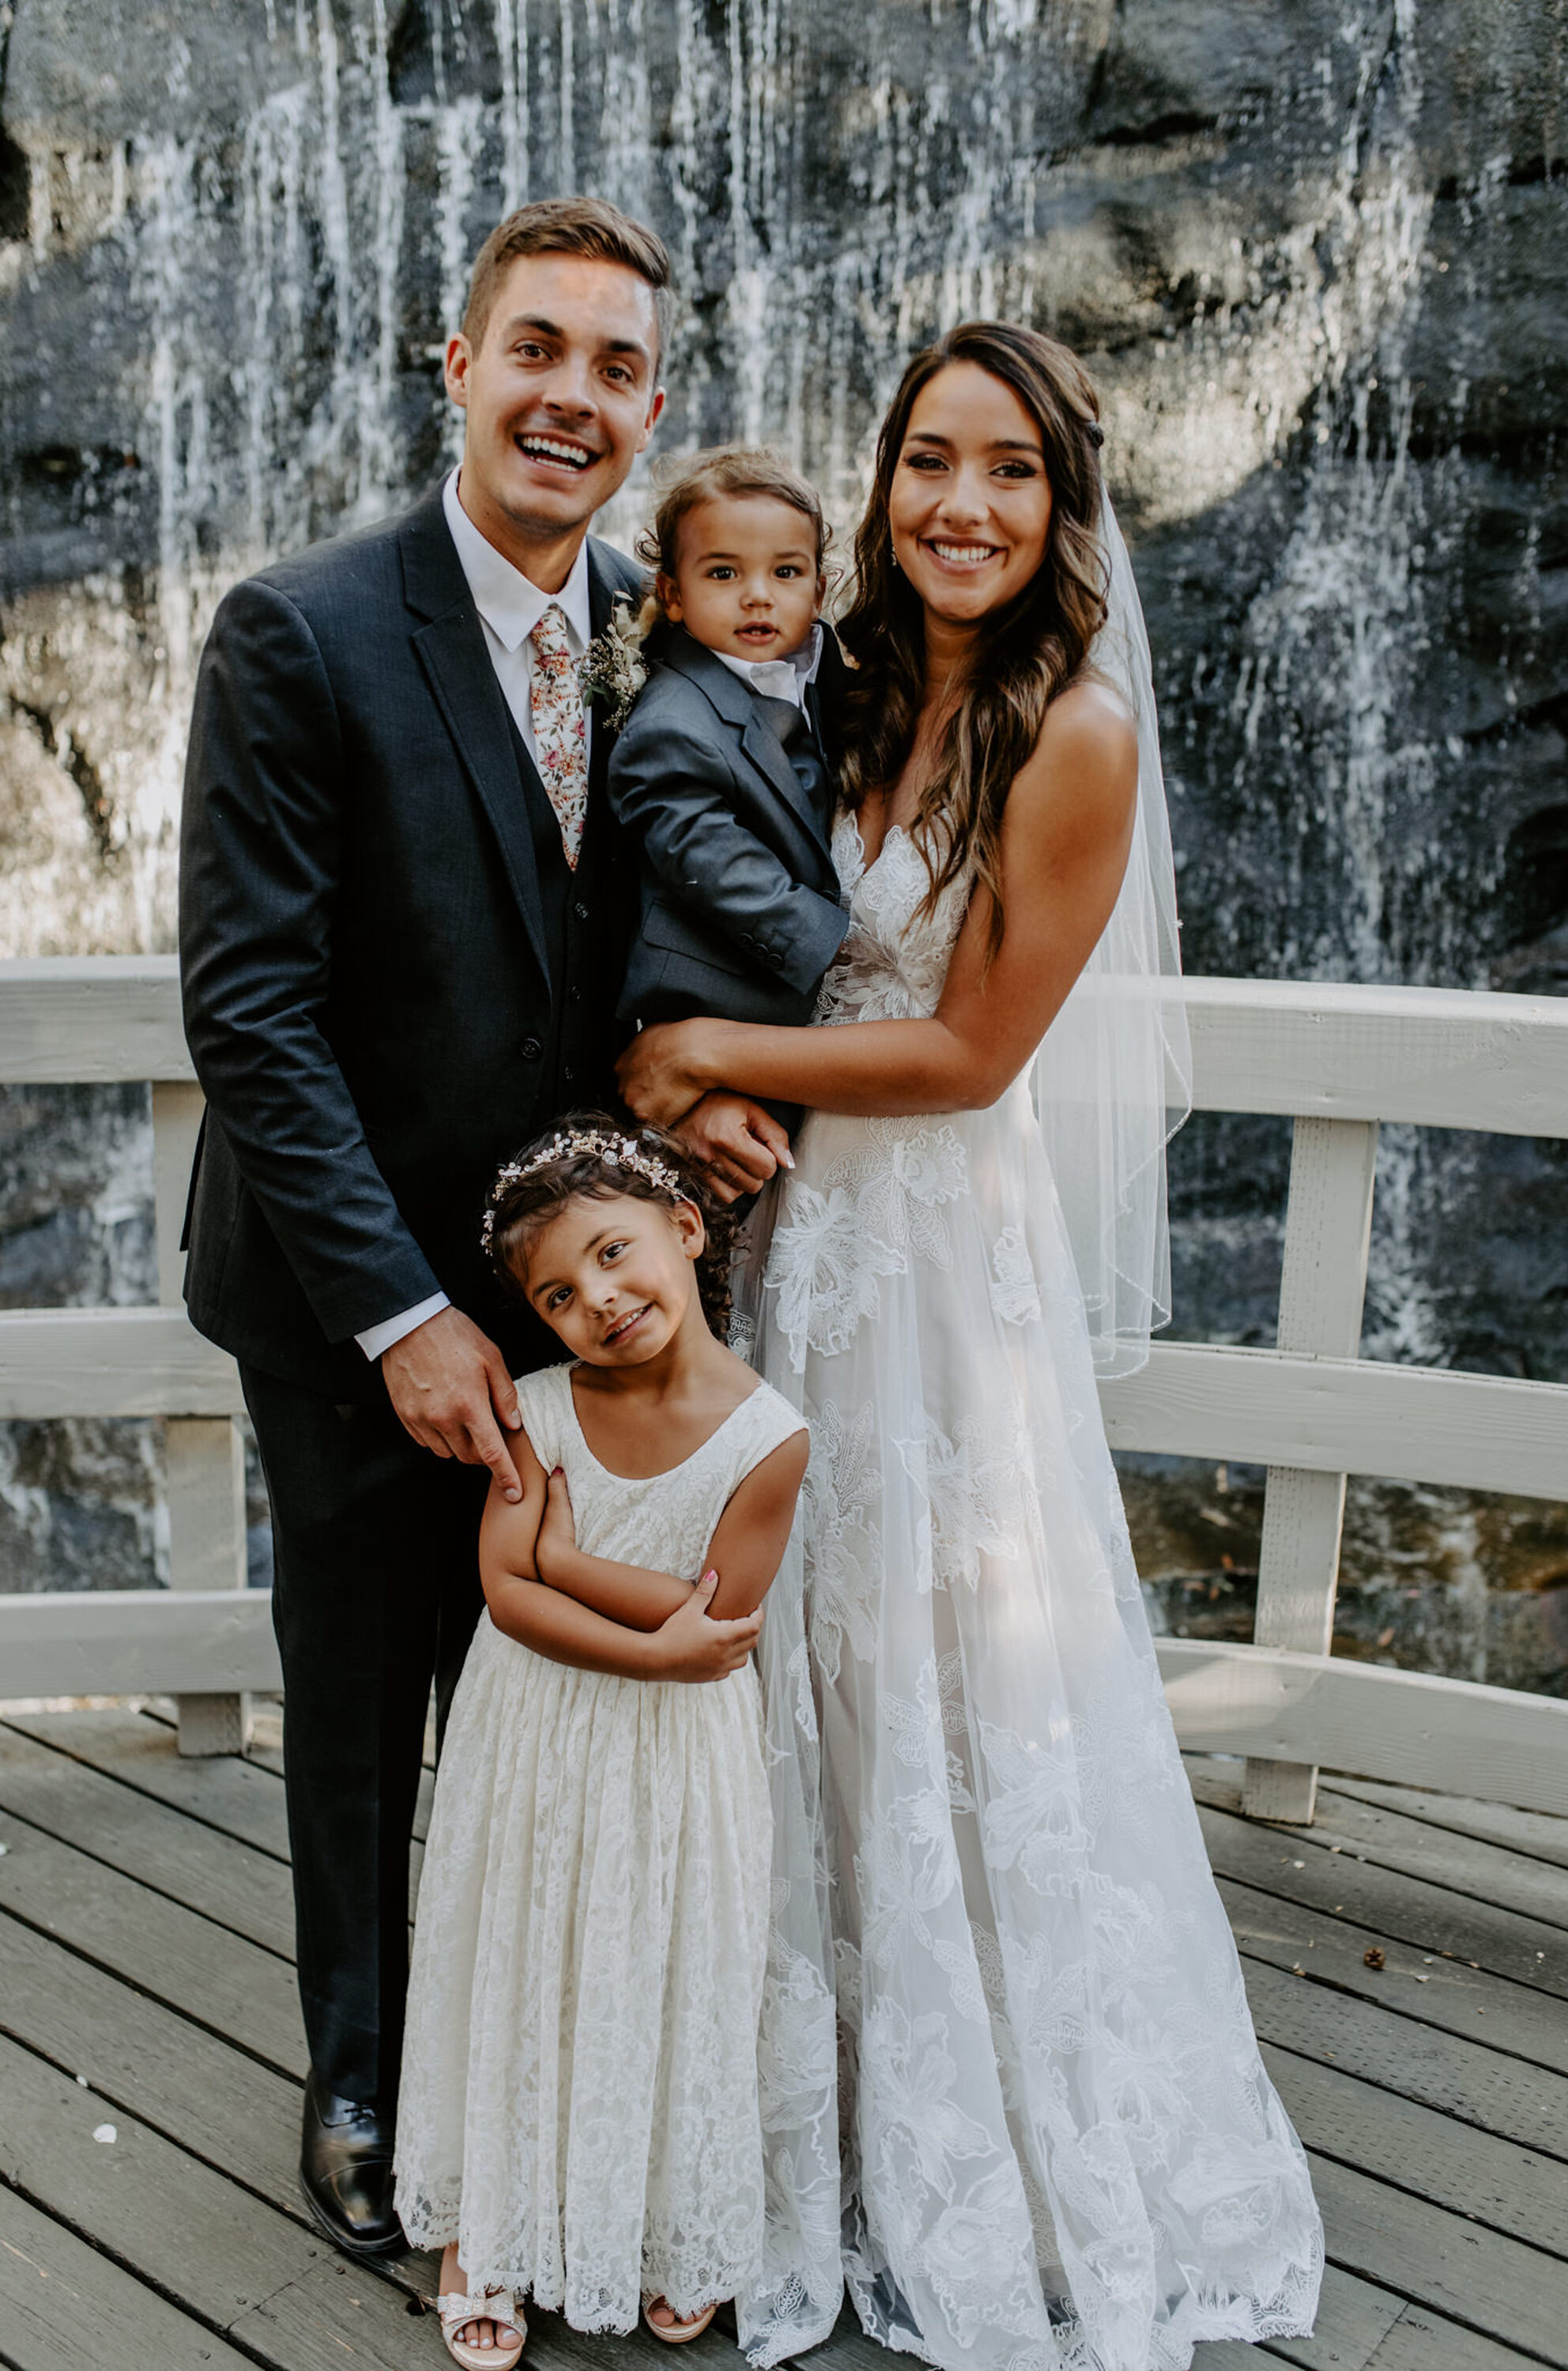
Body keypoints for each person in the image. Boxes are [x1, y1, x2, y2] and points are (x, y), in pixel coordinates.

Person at [619, 322, 1325, 2371]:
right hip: (788, 1236)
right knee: (796, 1657)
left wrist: (701, 1051)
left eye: (1009, 469)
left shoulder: (1073, 730)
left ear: (1062, 501)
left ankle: (980, 2152)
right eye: (930, 459)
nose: (961, 503)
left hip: (935, 1259)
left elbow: (967, 1049)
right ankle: (764, 2135)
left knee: (947, 1664)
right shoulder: (828, 671)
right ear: (882, 481)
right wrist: (685, 1086)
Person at [178, 195, 788, 2263]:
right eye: (538, 349)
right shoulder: (300, 629)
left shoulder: (661, 622)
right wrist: (396, 1316)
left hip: (588, 1303)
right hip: (352, 1300)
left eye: (617, 367)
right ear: (458, 365)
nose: (571, 397)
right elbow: (251, 1013)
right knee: (361, 1704)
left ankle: (525, 2064)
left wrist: (688, 1079)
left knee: (557, 1702)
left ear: (651, 407)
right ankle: (359, 2075)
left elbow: (647, 924)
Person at [393, 1115, 808, 2367]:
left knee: (662, 1963)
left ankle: (664, 2222)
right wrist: (634, 1636)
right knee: (525, 1955)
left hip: (676, 1758)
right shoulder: (535, 1413)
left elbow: (716, 1617)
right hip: (534, 1735)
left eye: (615, 1255)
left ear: (686, 1228)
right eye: (559, 1296)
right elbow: (505, 1592)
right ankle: (487, 2232)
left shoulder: (769, 1438)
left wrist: (572, 1563)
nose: (601, 1302)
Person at [609, 447, 850, 1138]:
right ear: (673, 594)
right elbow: (710, 859)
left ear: (819, 591)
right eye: (723, 573)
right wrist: (842, 948)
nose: (758, 595)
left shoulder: (823, 673)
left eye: (785, 572)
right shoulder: (672, 723)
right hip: (724, 1006)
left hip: (783, 1020)